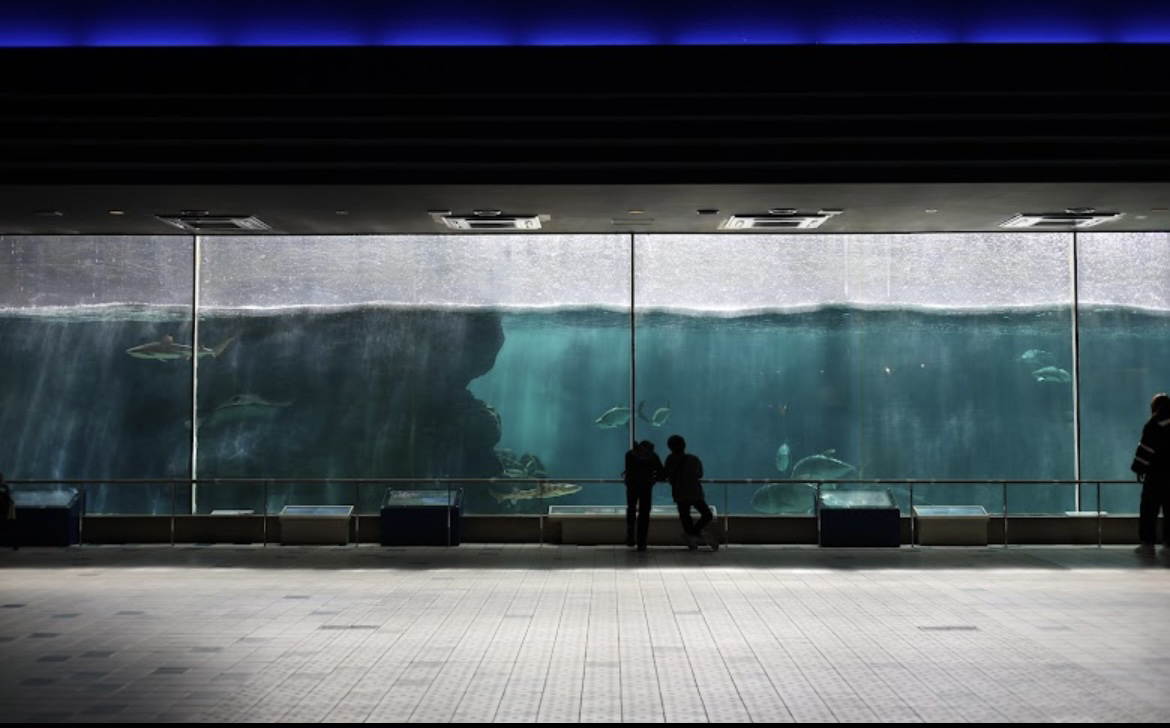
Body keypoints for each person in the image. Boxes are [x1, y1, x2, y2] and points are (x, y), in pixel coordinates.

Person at [1130, 393, 1170, 557]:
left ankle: (1148, 544)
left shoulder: (1153, 424)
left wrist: (1139, 469)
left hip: (1156, 474)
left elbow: (1145, 450)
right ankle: (1169, 546)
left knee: (1149, 509)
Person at [663, 435, 718, 551]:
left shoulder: (670, 460)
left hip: (679, 493)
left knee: (685, 517)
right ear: (684, 445)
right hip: (694, 492)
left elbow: (666, 474)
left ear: (670, 447)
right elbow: (700, 474)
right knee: (707, 514)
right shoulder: (693, 459)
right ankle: (695, 533)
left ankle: (691, 535)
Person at [623, 440, 664, 551]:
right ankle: (642, 542)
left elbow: (628, 471)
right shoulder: (653, 456)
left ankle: (630, 536)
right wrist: (654, 478)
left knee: (631, 509)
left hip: (632, 487)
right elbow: (662, 473)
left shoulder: (629, 455)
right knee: (644, 513)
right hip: (646, 487)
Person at [0, 472, 18, 551]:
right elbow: (8, 497)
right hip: (5, 509)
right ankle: (14, 544)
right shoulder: (4, 486)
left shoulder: (4, 487)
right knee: (8, 528)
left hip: (2, 510)